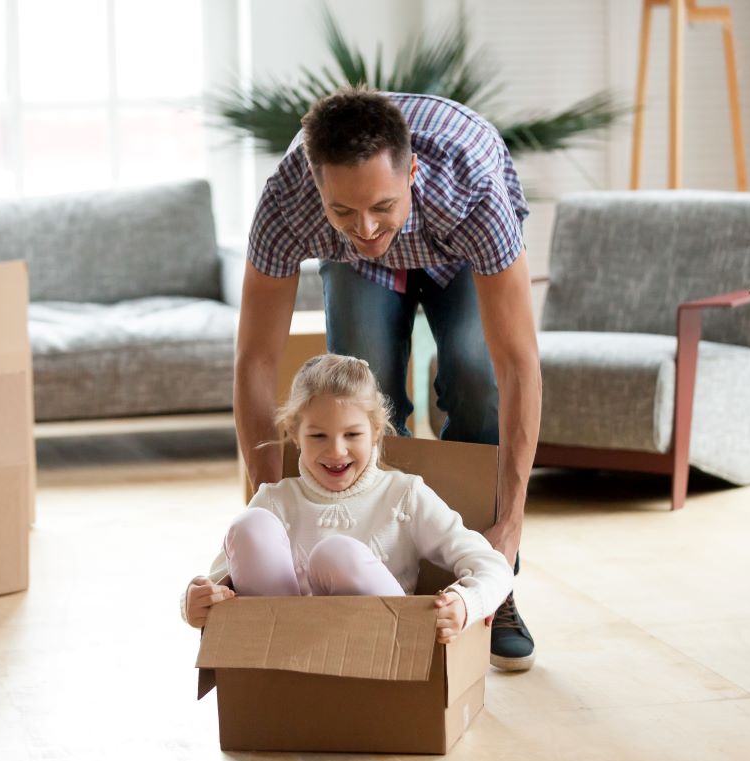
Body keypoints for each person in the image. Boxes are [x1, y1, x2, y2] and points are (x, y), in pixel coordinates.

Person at [233, 87, 542, 670]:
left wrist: (512, 522)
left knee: (475, 376)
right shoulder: (286, 201)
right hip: (356, 269)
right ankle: (371, 583)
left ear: (413, 173)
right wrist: (269, 503)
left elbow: (518, 362)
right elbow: (254, 360)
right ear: (316, 187)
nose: (368, 225)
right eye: (343, 210)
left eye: (381, 205)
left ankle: (490, 586)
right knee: (356, 403)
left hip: (457, 254)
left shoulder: (471, 186)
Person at [185, 354, 513, 643]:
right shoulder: (276, 501)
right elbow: (217, 580)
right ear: (296, 435)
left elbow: (493, 567)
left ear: (376, 431)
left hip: (384, 648)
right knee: (250, 526)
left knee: (336, 554)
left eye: (352, 434)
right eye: (318, 436)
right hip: (285, 650)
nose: (336, 451)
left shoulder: (404, 496)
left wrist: (465, 605)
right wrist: (194, 602)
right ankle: (283, 669)